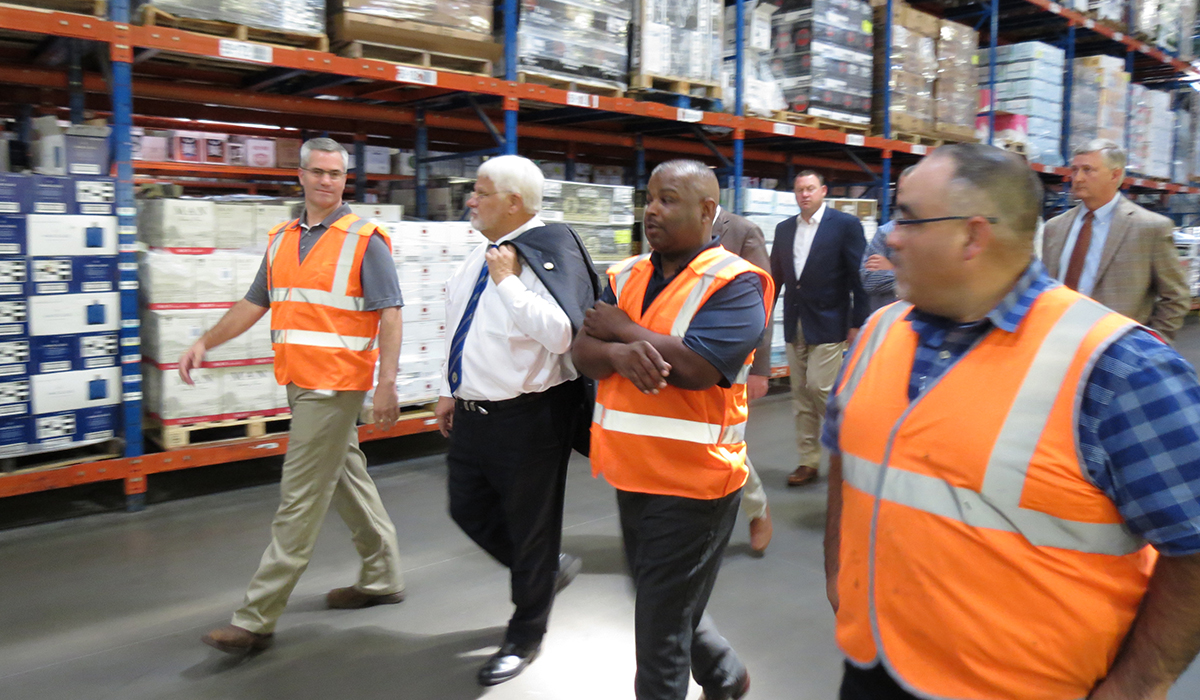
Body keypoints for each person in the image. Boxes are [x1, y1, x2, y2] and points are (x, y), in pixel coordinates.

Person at [823, 143, 1200, 699]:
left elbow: (1193, 543)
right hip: (873, 660)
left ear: (973, 236)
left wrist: (1137, 686)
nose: (890, 238)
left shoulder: (1121, 370)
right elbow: (848, 458)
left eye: (907, 219)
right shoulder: (879, 333)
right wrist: (840, 576)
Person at [183, 138, 407, 655]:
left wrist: (387, 382)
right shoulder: (282, 238)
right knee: (346, 476)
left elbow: (390, 313)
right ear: (300, 176)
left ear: (345, 180)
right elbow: (254, 302)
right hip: (298, 379)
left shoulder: (365, 239)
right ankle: (382, 576)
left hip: (336, 384)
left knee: (299, 497)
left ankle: (256, 618)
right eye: (318, 172)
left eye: (336, 173)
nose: (327, 181)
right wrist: (205, 342)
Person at [573, 160, 773, 700]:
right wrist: (620, 353)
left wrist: (622, 330)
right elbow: (583, 352)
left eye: (668, 200)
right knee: (660, 595)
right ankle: (725, 675)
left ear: (707, 211)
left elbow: (696, 367)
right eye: (650, 198)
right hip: (633, 471)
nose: (652, 211)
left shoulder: (736, 283)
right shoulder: (626, 275)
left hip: (695, 483)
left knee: (658, 632)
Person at [433, 155, 599, 686]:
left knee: (531, 531)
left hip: (530, 419)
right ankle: (544, 573)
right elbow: (457, 325)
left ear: (513, 202)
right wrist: (448, 390)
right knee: (466, 507)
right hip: (473, 413)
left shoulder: (549, 250)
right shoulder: (477, 256)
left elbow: (564, 334)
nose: (471, 200)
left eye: (480, 192)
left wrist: (508, 283)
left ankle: (525, 635)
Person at [769, 170, 868, 487]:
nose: (805, 194)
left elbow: (859, 278)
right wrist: (761, 314)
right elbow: (775, 278)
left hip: (830, 321)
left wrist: (857, 323)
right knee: (800, 395)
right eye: (800, 190)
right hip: (795, 320)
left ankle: (852, 446)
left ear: (823, 191)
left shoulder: (845, 226)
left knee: (819, 387)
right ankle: (808, 461)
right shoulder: (785, 229)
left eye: (810, 188)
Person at [1042, 138, 1190, 341]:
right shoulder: (1054, 228)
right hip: (1058, 341)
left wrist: (1153, 345)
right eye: (1074, 170)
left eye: (1087, 170)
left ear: (1115, 175)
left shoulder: (1149, 228)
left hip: (1116, 348)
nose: (1078, 178)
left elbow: (1175, 296)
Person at [711, 191, 774, 553]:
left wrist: (760, 368)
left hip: (731, 356)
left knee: (724, 440)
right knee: (704, 439)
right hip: (683, 352)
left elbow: (762, 302)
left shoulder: (743, 231)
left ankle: (756, 508)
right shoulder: (677, 230)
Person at [859, 166, 915, 313]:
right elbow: (869, 282)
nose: (904, 198)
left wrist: (892, 269)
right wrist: (908, 276)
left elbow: (933, 281)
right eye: (901, 191)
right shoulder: (884, 232)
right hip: (886, 319)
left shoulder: (937, 235)